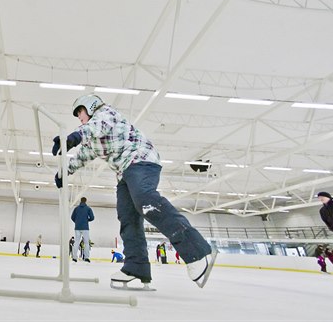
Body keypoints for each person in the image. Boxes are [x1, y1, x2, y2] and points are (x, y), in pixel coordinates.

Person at [52, 94, 215, 288]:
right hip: (124, 172)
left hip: (141, 160)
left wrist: (74, 137)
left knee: (145, 199)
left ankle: (197, 251)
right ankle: (136, 266)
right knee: (127, 216)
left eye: (80, 112)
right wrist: (65, 171)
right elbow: (84, 154)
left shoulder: (106, 114)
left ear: (90, 107)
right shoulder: (94, 138)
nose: (79, 117)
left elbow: (94, 127)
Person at [71, 197, 95, 263]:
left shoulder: (76, 208)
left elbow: (72, 217)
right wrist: (87, 220)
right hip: (85, 228)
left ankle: (74, 257)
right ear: (86, 201)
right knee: (86, 243)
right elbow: (92, 217)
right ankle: (86, 257)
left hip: (77, 228)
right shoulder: (88, 209)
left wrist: (77, 222)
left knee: (76, 242)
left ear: (80, 201)